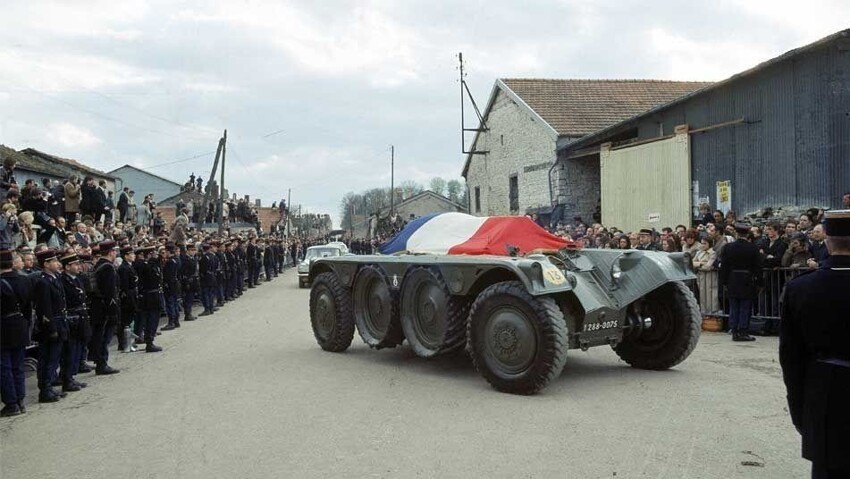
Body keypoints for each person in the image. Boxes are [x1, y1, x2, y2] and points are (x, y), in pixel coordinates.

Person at [779, 209, 850, 478]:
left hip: (825, 392)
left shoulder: (801, 288)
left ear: (828, 240)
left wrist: (800, 409)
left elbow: (791, 358)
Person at [33, 249, 69, 402]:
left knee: (54, 357)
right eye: (54, 261)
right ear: (46, 264)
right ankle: (45, 389)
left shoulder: (54, 278)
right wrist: (51, 328)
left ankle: (50, 387)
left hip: (59, 321)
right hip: (51, 324)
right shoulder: (43, 281)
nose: (58, 263)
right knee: (47, 358)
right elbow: (44, 308)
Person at [1, 249, 32, 416]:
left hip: (3, 326)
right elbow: (28, 307)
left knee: (4, 366)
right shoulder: (24, 280)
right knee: (18, 365)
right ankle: (20, 399)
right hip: (20, 324)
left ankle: (11, 402)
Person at [718, 223, 762, 341]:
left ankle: (734, 330)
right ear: (747, 234)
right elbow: (758, 267)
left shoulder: (728, 247)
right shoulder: (753, 248)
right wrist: (760, 282)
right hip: (747, 279)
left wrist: (724, 282)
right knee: (745, 306)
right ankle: (743, 330)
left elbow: (724, 266)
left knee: (734, 306)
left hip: (732, 278)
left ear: (736, 234)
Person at [88, 240, 121, 375]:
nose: (115, 253)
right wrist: (112, 311)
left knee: (100, 335)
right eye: (114, 251)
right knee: (103, 336)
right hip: (105, 307)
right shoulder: (107, 267)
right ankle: (101, 363)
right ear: (111, 252)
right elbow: (109, 291)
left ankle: (100, 361)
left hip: (98, 306)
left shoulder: (99, 265)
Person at [59, 252, 89, 392]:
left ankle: (71, 376)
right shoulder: (63, 280)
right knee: (69, 350)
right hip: (72, 317)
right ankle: (66, 378)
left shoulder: (76, 279)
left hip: (80, 316)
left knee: (77, 348)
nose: (78, 267)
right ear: (67, 266)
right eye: (75, 264)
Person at [138, 245, 164, 352]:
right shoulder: (145, 266)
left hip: (155, 294)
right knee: (151, 319)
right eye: (152, 254)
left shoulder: (153, 265)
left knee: (155, 318)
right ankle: (149, 342)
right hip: (150, 296)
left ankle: (151, 339)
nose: (155, 256)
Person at [117, 245, 139, 352]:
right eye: (131, 254)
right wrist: (127, 297)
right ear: (125, 256)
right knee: (125, 321)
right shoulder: (123, 268)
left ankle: (129, 341)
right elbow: (125, 286)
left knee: (130, 320)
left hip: (132, 294)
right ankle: (124, 343)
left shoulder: (130, 266)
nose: (133, 256)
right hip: (128, 296)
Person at [161, 244, 182, 331]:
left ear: (168, 252)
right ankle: (176, 320)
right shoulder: (177, 260)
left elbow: (167, 275)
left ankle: (171, 322)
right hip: (175, 283)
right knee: (175, 302)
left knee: (170, 303)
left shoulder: (170, 261)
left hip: (170, 284)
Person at [180, 243, 199, 322]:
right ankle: (187, 314)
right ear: (187, 251)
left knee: (190, 297)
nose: (193, 252)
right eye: (191, 250)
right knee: (187, 298)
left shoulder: (193, 258)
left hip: (193, 280)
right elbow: (183, 271)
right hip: (187, 280)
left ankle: (189, 312)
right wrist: (186, 281)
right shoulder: (184, 259)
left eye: (194, 250)